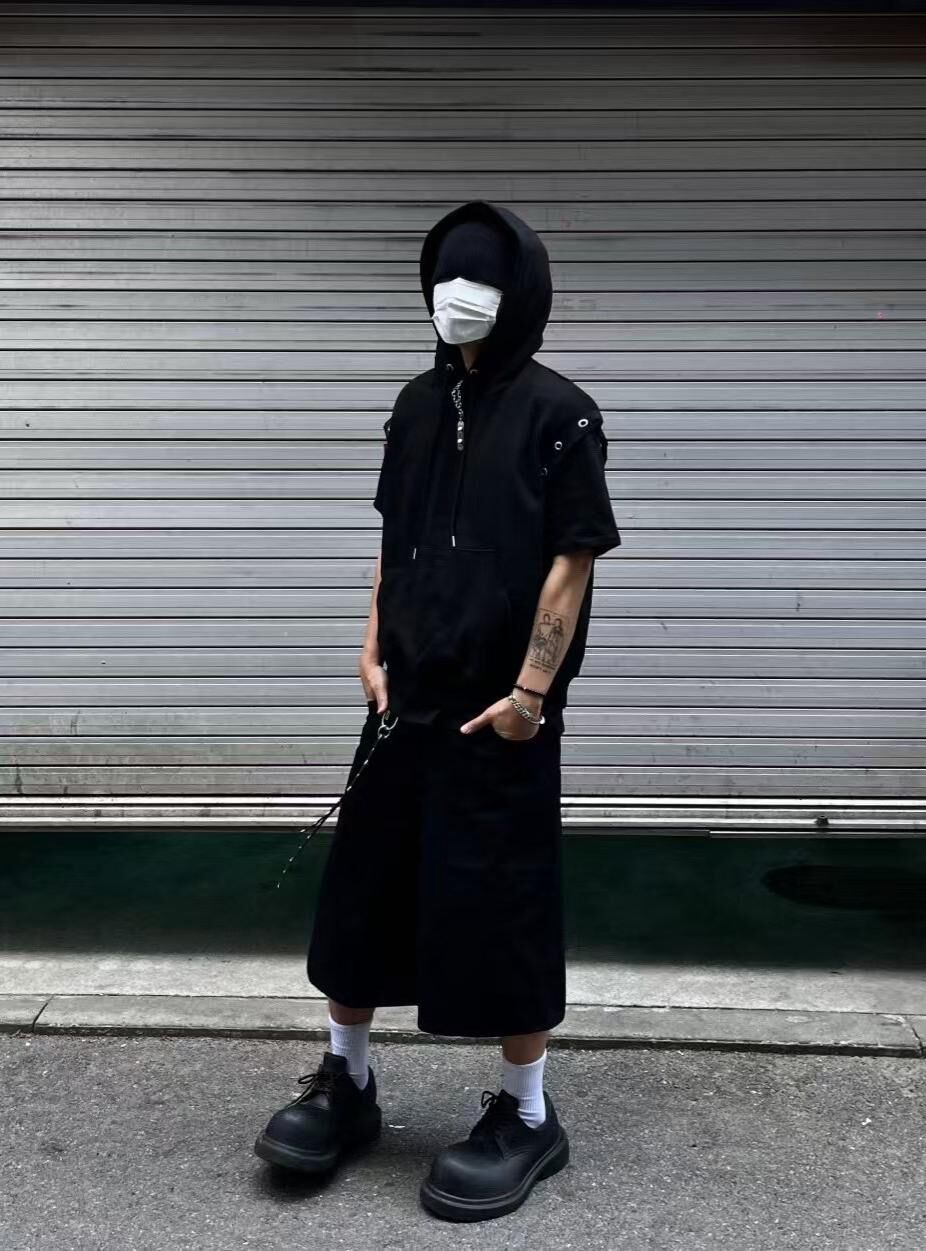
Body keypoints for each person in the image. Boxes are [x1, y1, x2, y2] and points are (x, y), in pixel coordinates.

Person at [254, 199, 621, 1222]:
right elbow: (393, 536)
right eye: (444, 277)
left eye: (479, 281)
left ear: (520, 294)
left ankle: (526, 1114)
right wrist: (370, 645)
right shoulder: (415, 406)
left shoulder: (560, 414)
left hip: (498, 714)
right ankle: (347, 1080)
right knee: (362, 893)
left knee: (502, 908)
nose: (456, 297)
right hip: (402, 702)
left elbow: (573, 560)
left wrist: (530, 696)